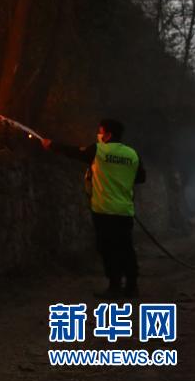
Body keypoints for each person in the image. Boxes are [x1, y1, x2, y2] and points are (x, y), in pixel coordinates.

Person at [41, 119, 146, 299]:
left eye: (100, 131)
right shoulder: (132, 154)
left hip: (104, 210)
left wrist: (52, 145)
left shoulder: (99, 150)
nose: (98, 134)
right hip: (124, 211)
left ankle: (114, 286)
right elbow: (141, 178)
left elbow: (74, 152)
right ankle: (131, 286)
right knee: (126, 247)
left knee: (107, 248)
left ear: (108, 135)